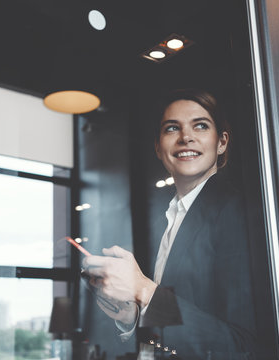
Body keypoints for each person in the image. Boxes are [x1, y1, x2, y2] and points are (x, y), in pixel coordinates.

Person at [83, 89, 256, 359]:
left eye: (200, 126)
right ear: (157, 147)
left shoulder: (235, 211)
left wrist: (143, 289)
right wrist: (131, 313)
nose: (186, 137)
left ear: (222, 142)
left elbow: (241, 343)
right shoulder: (165, 218)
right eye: (172, 128)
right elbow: (177, 326)